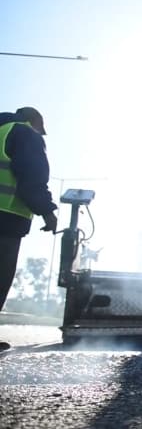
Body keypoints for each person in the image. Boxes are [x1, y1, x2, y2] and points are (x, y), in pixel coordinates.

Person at [0, 107, 58, 351]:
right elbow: (32, 178)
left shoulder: (3, 130)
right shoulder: (25, 133)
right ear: (35, 121)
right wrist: (47, 211)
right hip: (6, 219)